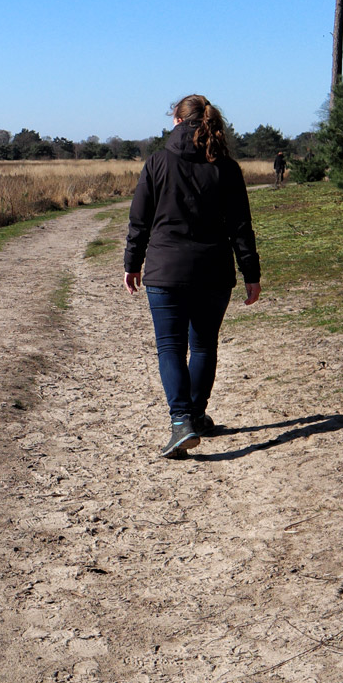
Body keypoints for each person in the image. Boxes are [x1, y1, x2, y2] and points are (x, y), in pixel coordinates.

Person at [123, 94, 262, 459]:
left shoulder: (157, 162)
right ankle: (196, 416)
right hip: (214, 271)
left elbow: (140, 220)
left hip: (165, 272)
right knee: (202, 345)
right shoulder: (227, 167)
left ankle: (182, 421)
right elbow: (241, 227)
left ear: (177, 121)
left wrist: (132, 263)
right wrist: (251, 272)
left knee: (171, 347)